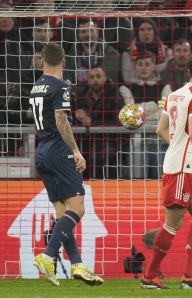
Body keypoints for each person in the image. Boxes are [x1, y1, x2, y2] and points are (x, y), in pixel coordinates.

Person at [140, 52, 192, 290]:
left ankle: (190, 277)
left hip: (184, 164)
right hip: (184, 168)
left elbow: (161, 130)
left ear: (188, 72)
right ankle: (149, 276)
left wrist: (178, 147)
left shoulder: (174, 95)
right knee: (172, 224)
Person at [31, 43, 104, 287]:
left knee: (63, 213)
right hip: (60, 152)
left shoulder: (36, 87)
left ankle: (77, 264)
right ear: (64, 62)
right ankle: (47, 255)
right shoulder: (61, 86)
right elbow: (61, 119)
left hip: (41, 151)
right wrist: (75, 150)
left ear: (42, 62)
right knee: (78, 209)